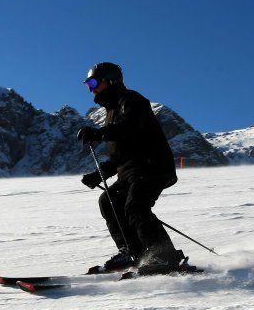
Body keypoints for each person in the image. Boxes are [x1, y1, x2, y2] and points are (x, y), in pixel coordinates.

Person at [76, 62, 186, 274]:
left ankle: (164, 256)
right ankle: (133, 253)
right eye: (87, 84)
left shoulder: (132, 101)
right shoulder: (111, 112)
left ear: (110, 81)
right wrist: (99, 175)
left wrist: (99, 134)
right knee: (108, 201)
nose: (90, 88)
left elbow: (130, 128)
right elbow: (121, 154)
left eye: (93, 82)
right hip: (131, 169)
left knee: (135, 207)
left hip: (151, 166)